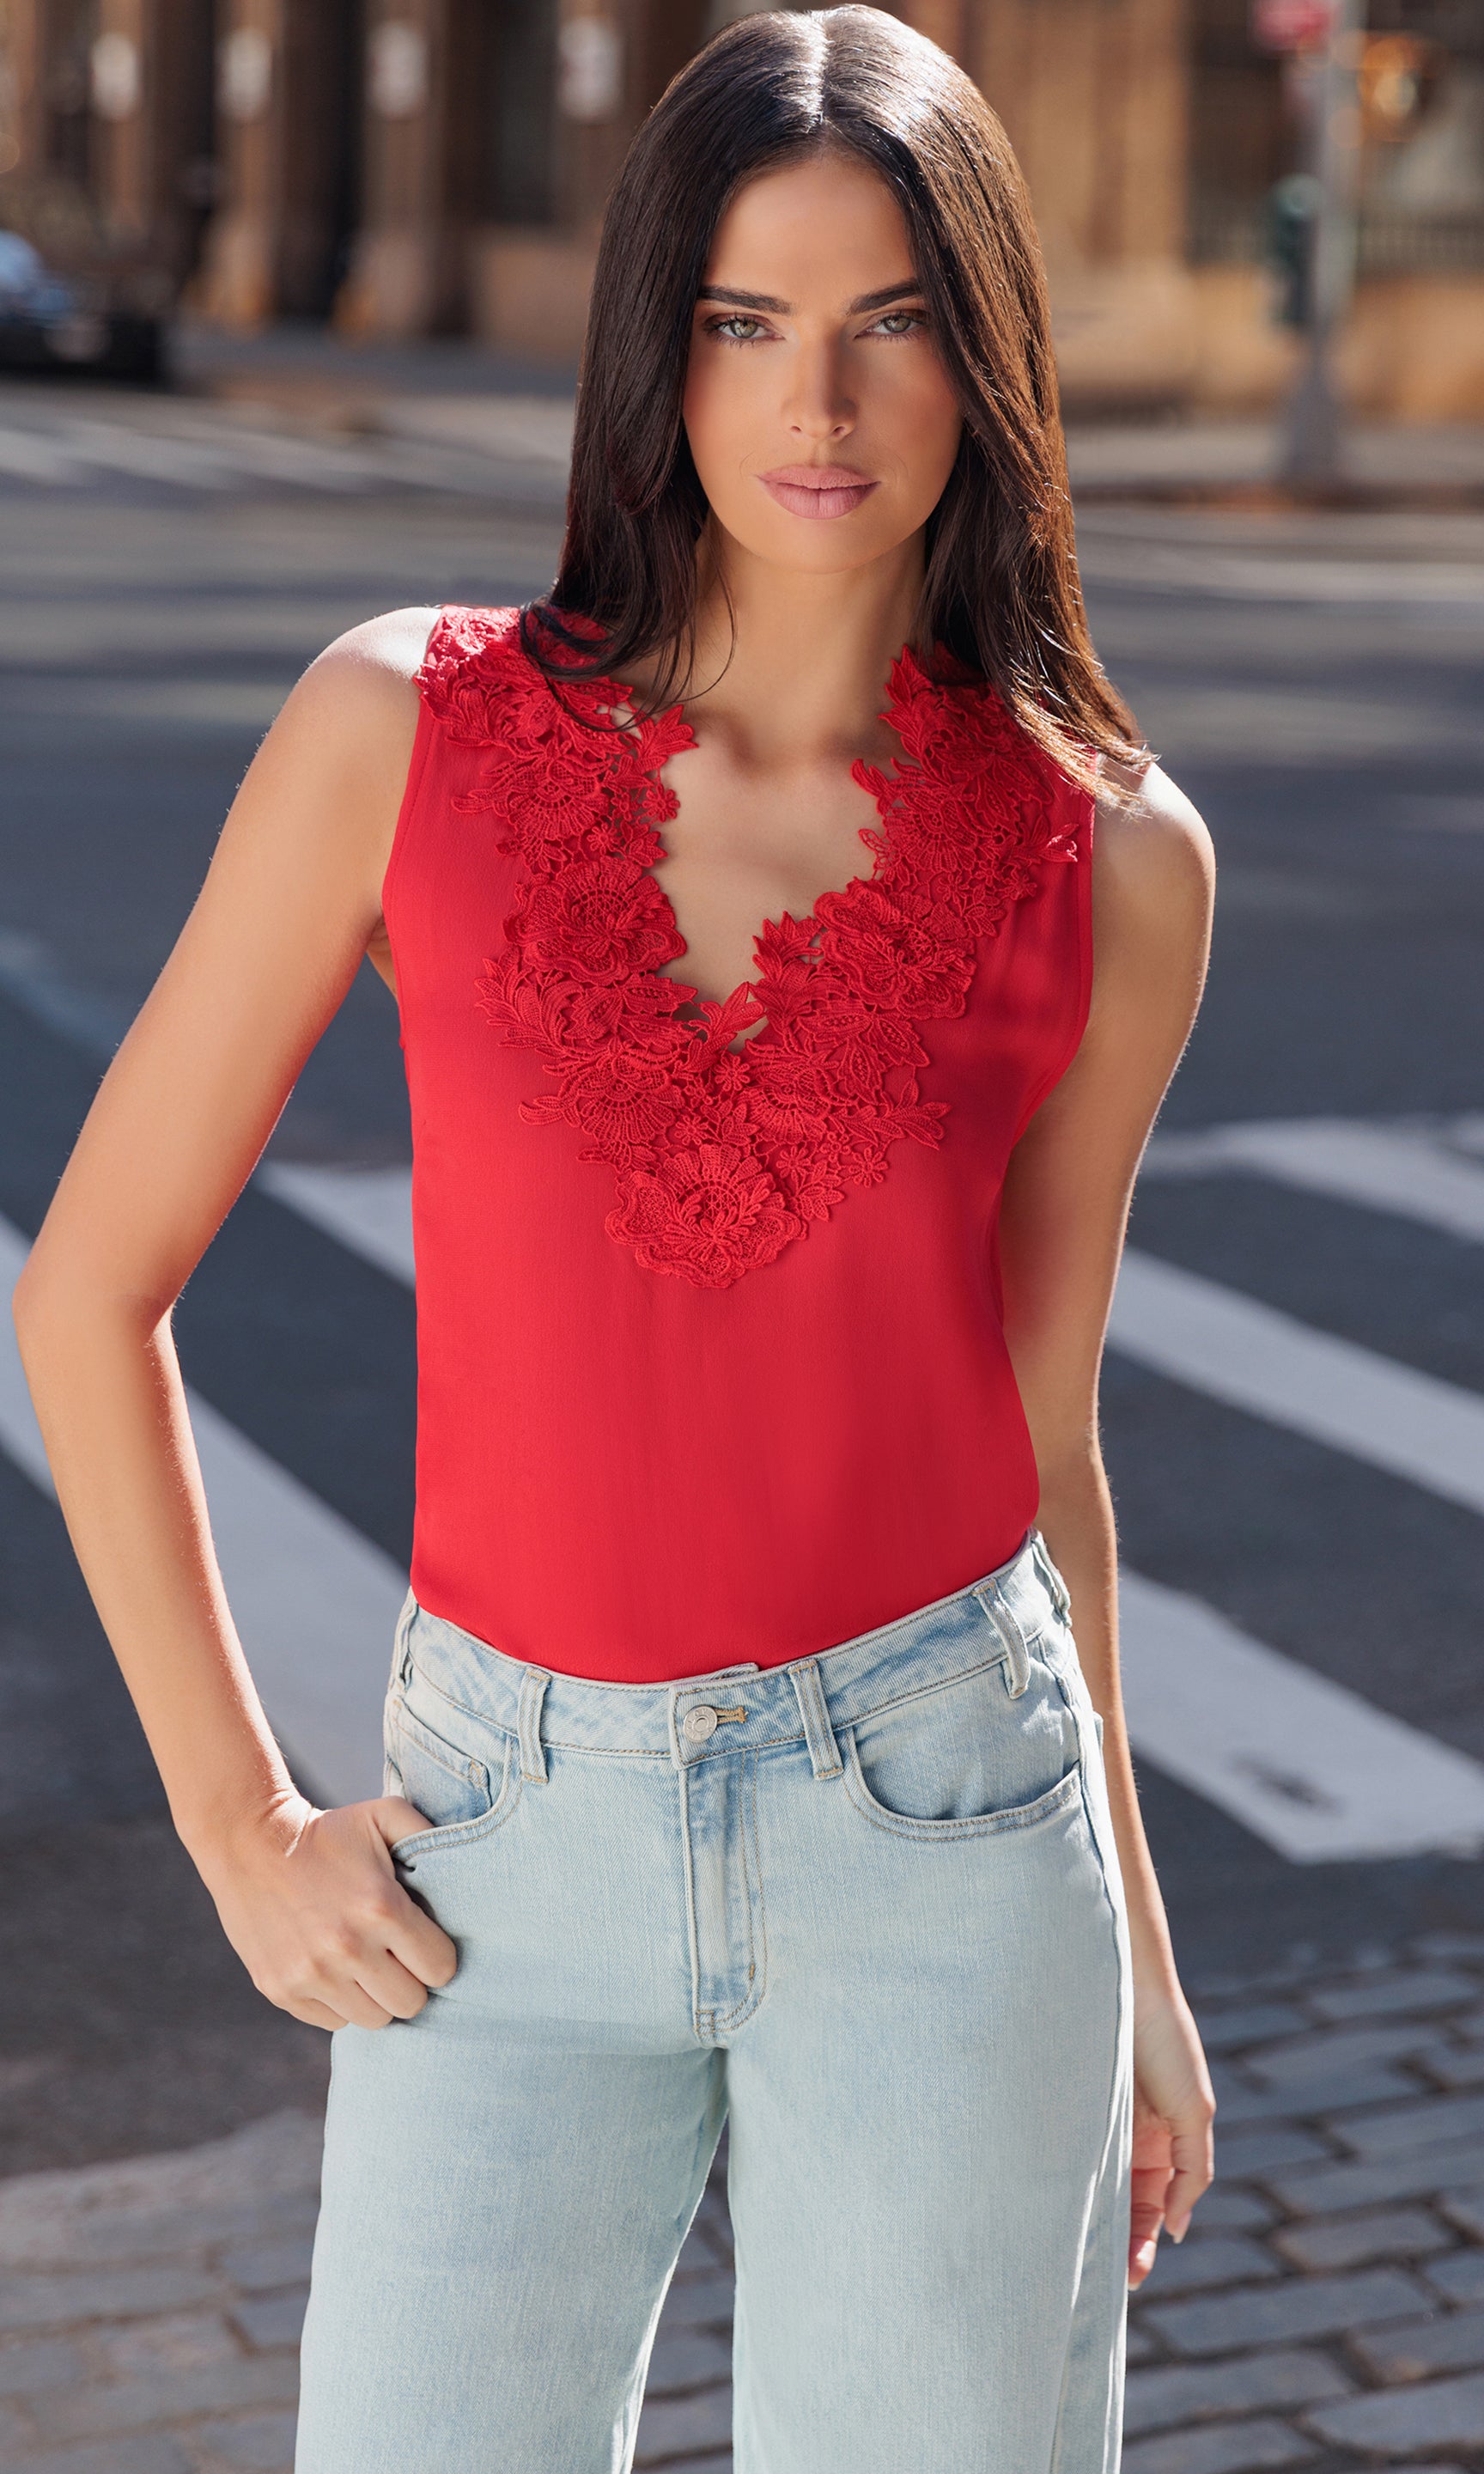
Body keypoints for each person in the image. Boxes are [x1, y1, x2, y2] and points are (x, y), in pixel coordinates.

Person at [14, 9, 1216, 2470]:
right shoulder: (401, 731)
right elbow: (90, 1290)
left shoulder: (1114, 858)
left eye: (891, 323)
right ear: (657, 343)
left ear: (984, 359)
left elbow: (1045, 1433)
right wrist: (242, 1831)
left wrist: (1146, 1967)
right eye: (746, 320)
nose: (819, 402)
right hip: (501, 1844)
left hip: (952, 1836)